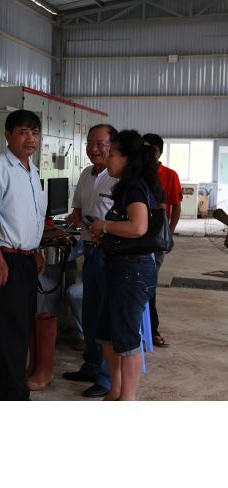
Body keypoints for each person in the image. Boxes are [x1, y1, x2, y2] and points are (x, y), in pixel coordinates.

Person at [0, 109, 47, 400]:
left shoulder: (33, 171)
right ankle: (14, 396)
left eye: (35, 132)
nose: (30, 138)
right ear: (7, 135)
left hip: (25, 259)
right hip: (5, 258)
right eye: (23, 132)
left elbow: (31, 217)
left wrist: (36, 251)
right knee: (11, 332)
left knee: (19, 330)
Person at [89, 130, 164, 400]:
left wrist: (104, 226)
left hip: (133, 272)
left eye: (112, 153)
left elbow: (138, 227)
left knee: (126, 336)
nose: (107, 158)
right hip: (121, 268)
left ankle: (127, 398)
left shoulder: (134, 188)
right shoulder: (126, 186)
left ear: (127, 159)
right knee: (108, 333)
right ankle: (116, 390)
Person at [62, 124, 118, 398]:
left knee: (106, 316)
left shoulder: (118, 178)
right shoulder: (86, 174)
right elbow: (78, 209)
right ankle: (91, 366)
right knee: (90, 313)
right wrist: (74, 218)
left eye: (100, 144)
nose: (93, 149)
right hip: (90, 252)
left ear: (113, 146)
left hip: (110, 255)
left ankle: (106, 379)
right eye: (90, 143)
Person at [142, 133, 182, 348]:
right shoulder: (135, 173)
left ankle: (152, 329)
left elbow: (175, 206)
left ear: (160, 152)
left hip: (156, 238)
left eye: (153, 150)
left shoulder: (169, 175)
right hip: (135, 238)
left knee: (149, 283)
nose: (149, 154)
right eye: (145, 149)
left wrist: (169, 234)